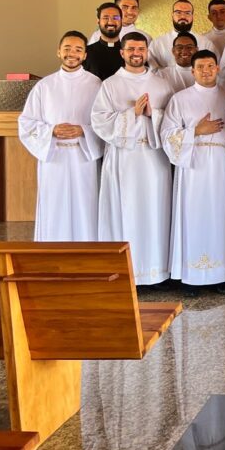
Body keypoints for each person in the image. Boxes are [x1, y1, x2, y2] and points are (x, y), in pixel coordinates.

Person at [91, 32, 174, 286]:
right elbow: (99, 121)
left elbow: (172, 123)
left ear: (147, 51)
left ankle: (157, 272)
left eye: (141, 48)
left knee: (156, 211)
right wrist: (131, 113)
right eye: (131, 49)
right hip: (124, 159)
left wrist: (153, 114)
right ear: (122, 52)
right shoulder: (110, 85)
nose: (136, 53)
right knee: (125, 211)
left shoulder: (162, 85)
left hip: (154, 158)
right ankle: (127, 273)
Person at [18, 32, 103, 241]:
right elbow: (26, 122)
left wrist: (84, 130)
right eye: (67, 48)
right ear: (58, 52)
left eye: (77, 49)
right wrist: (52, 131)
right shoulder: (44, 86)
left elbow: (105, 122)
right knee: (54, 205)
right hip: (54, 158)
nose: (71, 54)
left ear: (84, 55)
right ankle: (53, 253)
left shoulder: (97, 85)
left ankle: (87, 254)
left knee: (86, 206)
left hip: (84, 158)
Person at [160, 49, 225, 296]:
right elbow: (167, 135)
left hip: (220, 163)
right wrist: (196, 132)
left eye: (210, 66)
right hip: (192, 162)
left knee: (220, 215)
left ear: (218, 68)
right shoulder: (180, 99)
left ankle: (220, 274)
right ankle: (191, 277)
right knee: (193, 216)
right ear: (192, 71)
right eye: (200, 67)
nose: (206, 70)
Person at [148, 0, 211, 71]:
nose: (183, 16)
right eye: (178, 12)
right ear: (172, 15)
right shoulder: (157, 44)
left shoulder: (206, 43)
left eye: (187, 13)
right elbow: (152, 72)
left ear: (193, 16)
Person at [83, 2, 124, 80]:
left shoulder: (130, 52)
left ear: (121, 21)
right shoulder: (86, 53)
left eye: (116, 18)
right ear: (98, 21)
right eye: (105, 18)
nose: (111, 22)